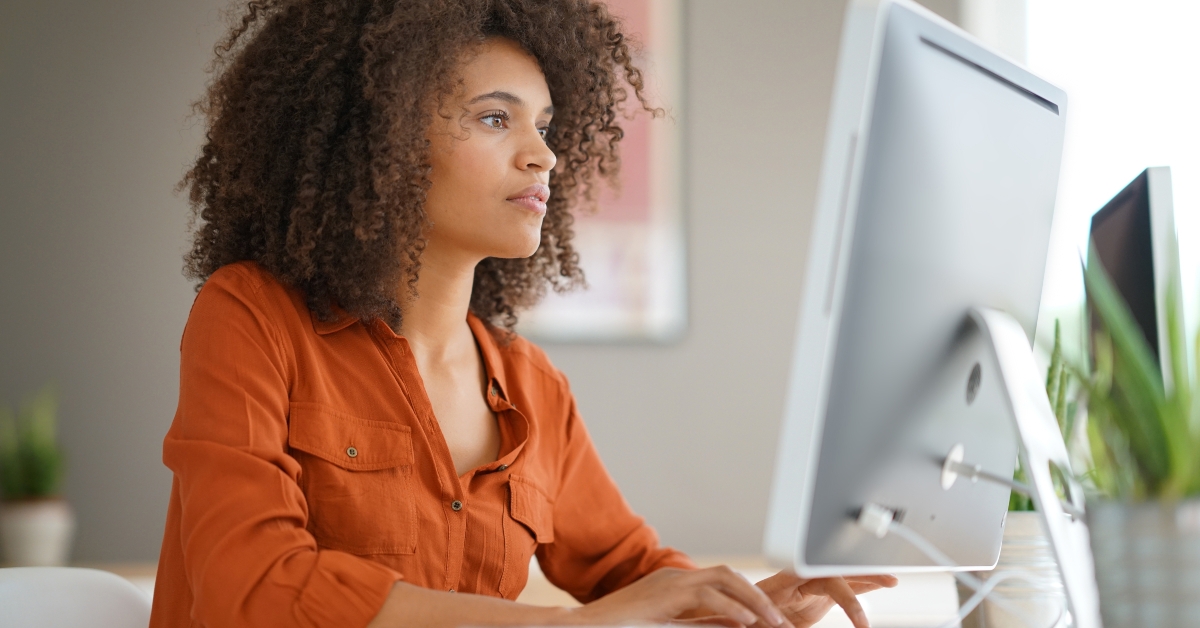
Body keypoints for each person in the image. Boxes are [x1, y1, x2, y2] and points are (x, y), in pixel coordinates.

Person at [149, 1, 896, 627]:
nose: (543, 155)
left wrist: (748, 609)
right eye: (494, 118)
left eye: (544, 125)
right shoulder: (251, 316)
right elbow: (251, 586)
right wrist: (569, 626)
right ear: (381, 135)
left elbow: (633, 576)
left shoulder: (533, 388)